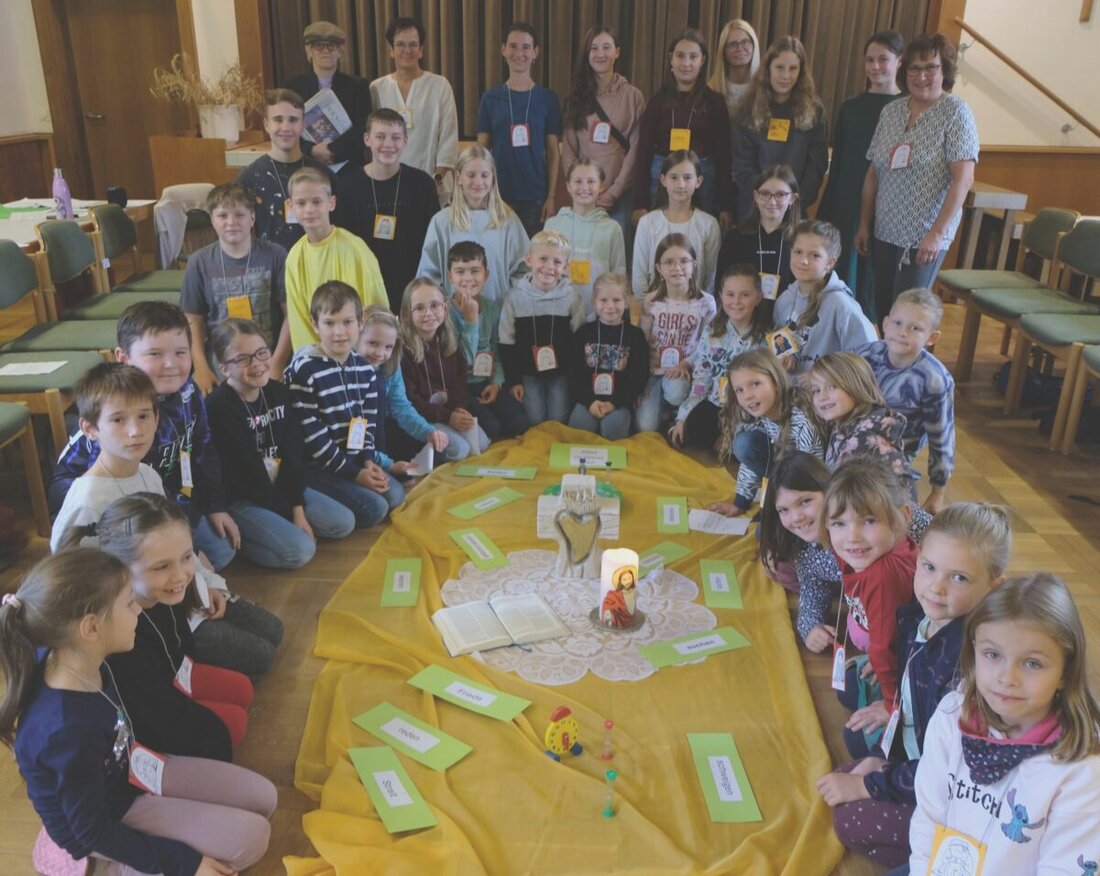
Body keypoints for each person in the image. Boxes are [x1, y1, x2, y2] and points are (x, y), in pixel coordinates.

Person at [1, 549, 275, 875]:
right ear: (91, 628)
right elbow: (90, 829)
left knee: (264, 799)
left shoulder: (77, 653)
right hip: (104, 818)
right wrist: (186, 863)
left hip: (127, 772)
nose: (138, 612)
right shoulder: (66, 729)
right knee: (253, 838)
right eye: (130, 603)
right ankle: (104, 866)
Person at [818, 503, 1011, 867]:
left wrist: (870, 784)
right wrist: (882, 752)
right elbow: (912, 704)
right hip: (920, 753)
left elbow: (945, 772)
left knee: (849, 820)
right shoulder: (926, 619)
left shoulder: (967, 669)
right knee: (856, 743)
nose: (936, 587)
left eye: (959, 578)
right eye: (929, 567)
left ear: (993, 587)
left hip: (953, 793)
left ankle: (944, 853)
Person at [906, 574, 1100, 875]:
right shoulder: (950, 715)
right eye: (992, 655)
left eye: (1032, 663)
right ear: (974, 652)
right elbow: (929, 815)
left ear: (1065, 672)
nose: (1007, 678)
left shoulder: (1080, 768)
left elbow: (1065, 868)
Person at [50, 302, 239, 571]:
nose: (171, 364)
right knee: (181, 562)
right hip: (107, 505)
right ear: (124, 357)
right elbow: (121, 493)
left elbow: (202, 449)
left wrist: (214, 506)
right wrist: (188, 553)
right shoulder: (117, 411)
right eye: (155, 354)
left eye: (181, 352)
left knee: (220, 552)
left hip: (157, 489)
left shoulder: (188, 391)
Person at [58, 497, 247, 760]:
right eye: (162, 567)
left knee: (242, 692)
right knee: (228, 728)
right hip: (149, 714)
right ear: (121, 568)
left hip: (168, 683)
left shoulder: (165, 592)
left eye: (186, 557)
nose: (180, 575)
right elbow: (150, 715)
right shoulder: (121, 637)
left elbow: (179, 649)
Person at [207, 318, 356, 569]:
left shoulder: (278, 392)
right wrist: (289, 514)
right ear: (224, 367)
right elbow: (248, 474)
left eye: (261, 353)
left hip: (280, 487)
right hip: (244, 498)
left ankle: (273, 529)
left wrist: (297, 508)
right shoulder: (218, 407)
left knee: (344, 522)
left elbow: (292, 453)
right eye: (242, 359)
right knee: (299, 551)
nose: (256, 364)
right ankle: (245, 539)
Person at [856, 33, 979, 322]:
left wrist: (935, 234)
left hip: (923, 236)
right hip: (884, 229)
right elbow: (874, 172)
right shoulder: (891, 111)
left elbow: (963, 180)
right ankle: (887, 365)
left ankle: (911, 366)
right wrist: (864, 223)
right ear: (904, 71)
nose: (921, 75)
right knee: (885, 311)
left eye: (931, 67)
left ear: (944, 70)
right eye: (914, 68)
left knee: (909, 315)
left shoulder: (956, 113)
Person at [756, 452, 932, 644]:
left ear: (829, 491)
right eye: (784, 510)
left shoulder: (882, 507)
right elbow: (812, 589)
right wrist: (810, 627)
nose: (797, 517)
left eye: (805, 501)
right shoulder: (807, 552)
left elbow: (941, 533)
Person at [284, 281, 407, 529]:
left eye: (347, 322)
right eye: (330, 323)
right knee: (371, 511)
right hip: (317, 466)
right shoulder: (304, 369)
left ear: (360, 322)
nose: (339, 332)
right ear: (314, 324)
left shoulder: (365, 369)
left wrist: (368, 461)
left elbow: (368, 424)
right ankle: (311, 500)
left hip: (352, 461)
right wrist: (355, 475)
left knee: (394, 495)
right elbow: (313, 438)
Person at [824, 459, 919, 757]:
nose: (851, 537)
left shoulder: (883, 573)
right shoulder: (862, 553)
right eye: (839, 523)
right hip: (897, 655)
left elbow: (884, 646)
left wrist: (892, 707)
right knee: (848, 687)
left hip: (913, 670)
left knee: (855, 739)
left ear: (901, 517)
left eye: (868, 521)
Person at [816, 32, 904, 320]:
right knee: (847, 273)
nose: (875, 66)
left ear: (899, 62)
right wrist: (827, 209)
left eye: (883, 60)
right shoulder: (851, 108)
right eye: (870, 60)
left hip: (888, 203)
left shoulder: (907, 107)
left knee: (877, 279)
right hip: (848, 200)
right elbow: (839, 161)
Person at [181, 183, 291, 394]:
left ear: (252, 218)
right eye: (223, 216)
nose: (231, 222)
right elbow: (193, 321)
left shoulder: (276, 255)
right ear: (212, 220)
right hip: (221, 360)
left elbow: (291, 315)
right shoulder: (199, 262)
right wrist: (201, 367)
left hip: (267, 356)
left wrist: (277, 363)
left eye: (239, 215)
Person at [859, 287, 955, 512]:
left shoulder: (935, 379)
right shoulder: (863, 356)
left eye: (915, 328)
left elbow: (942, 437)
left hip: (896, 456)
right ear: (884, 324)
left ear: (932, 338)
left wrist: (938, 491)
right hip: (852, 443)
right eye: (897, 323)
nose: (902, 332)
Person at [333, 108, 440, 311]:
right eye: (380, 137)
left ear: (405, 141)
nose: (388, 144)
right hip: (364, 290)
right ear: (367, 139)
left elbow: (432, 242)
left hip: (412, 290)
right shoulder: (347, 186)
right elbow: (342, 245)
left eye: (396, 138)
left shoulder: (422, 184)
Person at [50, 363, 160, 553]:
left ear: (156, 419)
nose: (135, 431)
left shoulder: (150, 475)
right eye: (118, 420)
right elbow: (69, 571)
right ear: (90, 429)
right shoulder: (88, 502)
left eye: (143, 416)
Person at [632, 29, 733, 228]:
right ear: (671, 59)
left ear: (702, 61)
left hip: (704, 181)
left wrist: (726, 206)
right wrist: (639, 203)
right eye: (680, 56)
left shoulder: (716, 103)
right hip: (661, 180)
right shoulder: (657, 101)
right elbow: (642, 153)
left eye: (693, 57)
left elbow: (724, 157)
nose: (686, 63)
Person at [284, 166, 387, 350]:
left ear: (331, 203)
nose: (309, 209)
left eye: (317, 201)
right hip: (319, 361)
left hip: (359, 354)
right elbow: (299, 319)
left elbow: (376, 308)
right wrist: (316, 362)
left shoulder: (355, 249)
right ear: (290, 206)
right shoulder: (294, 257)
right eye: (301, 203)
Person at [476, 22, 563, 235]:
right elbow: (481, 152)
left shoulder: (548, 99)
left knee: (531, 260)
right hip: (498, 195)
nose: (519, 53)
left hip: (535, 197)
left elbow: (553, 151)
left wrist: (551, 197)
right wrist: (483, 194)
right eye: (513, 46)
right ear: (503, 49)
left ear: (535, 53)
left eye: (526, 47)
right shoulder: (490, 98)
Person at [713, 348, 822, 516]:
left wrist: (787, 508)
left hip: (813, 484)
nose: (747, 395)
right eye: (739, 390)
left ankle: (780, 500)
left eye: (755, 384)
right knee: (743, 443)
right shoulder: (760, 414)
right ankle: (777, 497)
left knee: (763, 534)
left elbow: (813, 473)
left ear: (776, 383)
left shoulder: (802, 418)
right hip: (787, 472)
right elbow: (750, 460)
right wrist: (740, 503)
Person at [671, 264, 768, 451]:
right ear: (721, 296)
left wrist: (732, 433)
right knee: (694, 430)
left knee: (744, 446)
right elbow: (701, 380)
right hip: (717, 403)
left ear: (758, 297)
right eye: (730, 295)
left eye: (745, 295)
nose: (737, 301)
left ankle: (734, 441)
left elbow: (761, 397)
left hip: (747, 410)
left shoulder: (764, 341)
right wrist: (683, 418)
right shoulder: (711, 333)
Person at [561, 25, 645, 241]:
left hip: (621, 197)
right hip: (585, 197)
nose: (600, 54)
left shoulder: (633, 96)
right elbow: (569, 149)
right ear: (587, 54)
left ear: (617, 52)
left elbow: (636, 150)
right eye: (594, 48)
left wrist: (613, 192)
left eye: (606, 47)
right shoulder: (576, 97)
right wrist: (581, 189)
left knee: (615, 258)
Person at [417, 145, 530, 304]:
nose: (478, 182)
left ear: (493, 178)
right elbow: (428, 275)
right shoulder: (441, 222)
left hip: (499, 316)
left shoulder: (508, 221)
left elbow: (524, 270)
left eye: (484, 175)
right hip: (454, 317)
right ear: (459, 177)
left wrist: (509, 305)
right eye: (471, 175)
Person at [732, 36, 828, 220]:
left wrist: (795, 200)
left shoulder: (814, 110)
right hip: (753, 207)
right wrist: (767, 199)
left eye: (793, 69)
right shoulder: (747, 108)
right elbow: (742, 164)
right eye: (779, 68)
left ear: (801, 72)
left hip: (795, 207)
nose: (786, 75)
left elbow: (817, 163)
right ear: (768, 68)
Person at [445, 241, 531, 441]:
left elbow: (496, 350)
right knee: (492, 428)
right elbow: (460, 360)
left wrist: (496, 384)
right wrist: (471, 319)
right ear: (450, 276)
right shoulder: (444, 313)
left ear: (486, 274)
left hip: (485, 381)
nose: (468, 278)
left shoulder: (493, 309)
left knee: (519, 423)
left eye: (475, 271)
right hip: (458, 388)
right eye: (460, 272)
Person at [498, 230, 585, 425]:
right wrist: (514, 380)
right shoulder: (514, 297)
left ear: (566, 266)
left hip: (560, 373)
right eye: (543, 259)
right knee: (534, 419)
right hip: (528, 373)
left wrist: (572, 376)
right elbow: (506, 341)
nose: (549, 267)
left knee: (558, 419)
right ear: (529, 259)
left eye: (557, 262)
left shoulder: (572, 296)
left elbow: (579, 339)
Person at [772, 219, 876, 377]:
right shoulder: (783, 301)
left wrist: (826, 378)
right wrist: (786, 358)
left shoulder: (841, 304)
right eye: (798, 252)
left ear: (830, 262)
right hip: (792, 395)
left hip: (828, 398)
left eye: (815, 255)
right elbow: (779, 344)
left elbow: (868, 357)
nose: (803, 261)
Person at [399, 278, 490, 458]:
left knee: (481, 443)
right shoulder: (403, 351)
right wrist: (448, 418)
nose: (429, 313)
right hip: (423, 417)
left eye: (435, 305)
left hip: (446, 412)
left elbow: (459, 383)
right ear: (407, 314)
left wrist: (458, 408)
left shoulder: (448, 342)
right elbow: (411, 401)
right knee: (460, 449)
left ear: (446, 308)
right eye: (419, 308)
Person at [635, 233, 717, 433]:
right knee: (645, 427)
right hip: (653, 370)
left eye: (684, 261)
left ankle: (675, 409)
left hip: (683, 369)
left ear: (694, 265)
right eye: (669, 262)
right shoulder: (651, 301)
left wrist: (687, 363)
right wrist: (640, 379)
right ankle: (662, 411)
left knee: (677, 392)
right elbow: (641, 340)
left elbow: (709, 344)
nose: (677, 267)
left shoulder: (706, 302)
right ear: (659, 268)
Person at [369, 16, 459, 197]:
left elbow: (449, 137)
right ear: (391, 50)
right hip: (388, 182)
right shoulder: (377, 88)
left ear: (421, 50)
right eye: (400, 44)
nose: (407, 50)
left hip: (433, 184)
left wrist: (437, 178)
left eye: (413, 44)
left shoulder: (440, 85)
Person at [236, 88, 333, 249]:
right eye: (278, 120)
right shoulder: (248, 179)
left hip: (317, 265)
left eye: (293, 120)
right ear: (266, 125)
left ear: (303, 125)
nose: (286, 127)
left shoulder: (323, 176)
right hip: (270, 268)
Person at [357, 305, 455, 463]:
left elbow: (401, 406)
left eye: (388, 347)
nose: (380, 354)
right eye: (373, 344)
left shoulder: (391, 366)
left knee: (437, 451)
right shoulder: (349, 368)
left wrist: (428, 432)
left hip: (385, 428)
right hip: (359, 437)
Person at [567, 272, 649, 439]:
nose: (610, 306)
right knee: (579, 429)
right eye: (603, 300)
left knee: (613, 429)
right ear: (594, 302)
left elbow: (638, 377)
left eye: (617, 300)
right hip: (588, 401)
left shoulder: (635, 336)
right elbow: (574, 374)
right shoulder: (583, 333)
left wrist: (614, 403)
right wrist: (590, 402)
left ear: (626, 303)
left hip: (618, 403)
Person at [284, 21, 372, 174]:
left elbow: (363, 127)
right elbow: (288, 127)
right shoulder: (292, 87)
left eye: (331, 46)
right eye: (318, 46)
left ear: (340, 51)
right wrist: (311, 150)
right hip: (306, 167)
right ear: (309, 51)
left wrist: (331, 151)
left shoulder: (358, 86)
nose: (326, 51)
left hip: (349, 168)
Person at [545, 158, 627, 319]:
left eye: (591, 181)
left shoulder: (612, 228)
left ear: (601, 186)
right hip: (560, 311)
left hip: (600, 313)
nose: (584, 187)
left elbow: (619, 272)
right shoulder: (553, 225)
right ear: (568, 186)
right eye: (578, 181)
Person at [632, 150, 721, 297]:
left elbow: (711, 277)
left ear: (698, 181)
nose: (680, 184)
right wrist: (649, 308)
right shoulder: (647, 223)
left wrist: (700, 307)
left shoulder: (709, 225)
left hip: (696, 309)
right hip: (655, 309)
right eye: (674, 177)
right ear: (663, 180)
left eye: (687, 178)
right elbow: (639, 275)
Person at [810, 351, 911, 480]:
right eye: (816, 390)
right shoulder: (844, 425)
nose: (822, 397)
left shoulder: (865, 439)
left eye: (832, 387)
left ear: (857, 385)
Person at [708, 19, 761, 122]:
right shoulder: (711, 89)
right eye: (732, 44)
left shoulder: (765, 87)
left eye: (745, 42)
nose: (740, 48)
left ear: (754, 45)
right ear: (723, 52)